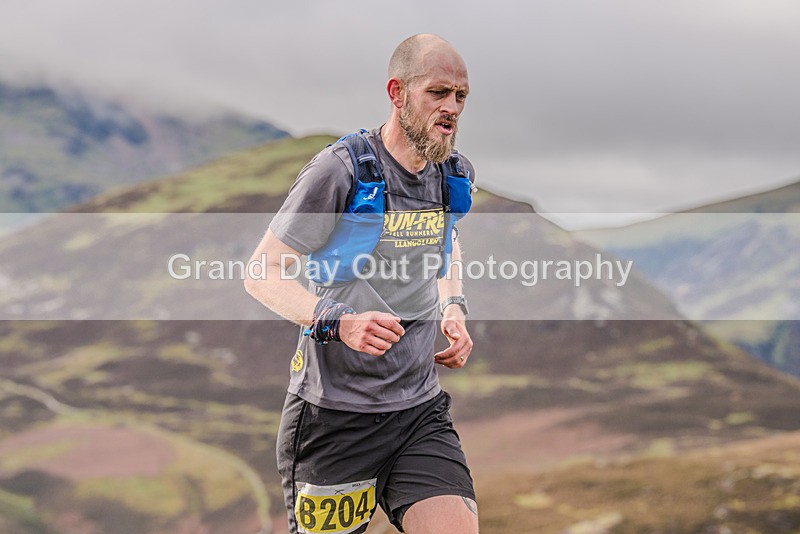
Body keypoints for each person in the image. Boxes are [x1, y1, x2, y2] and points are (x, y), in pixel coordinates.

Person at [244, 33, 478, 534]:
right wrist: (338, 321)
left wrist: (452, 305)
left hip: (418, 412)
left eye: (460, 96)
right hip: (334, 419)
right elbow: (262, 272)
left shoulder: (452, 173)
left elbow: (446, 239)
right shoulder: (341, 170)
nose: (452, 107)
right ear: (397, 93)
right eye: (438, 92)